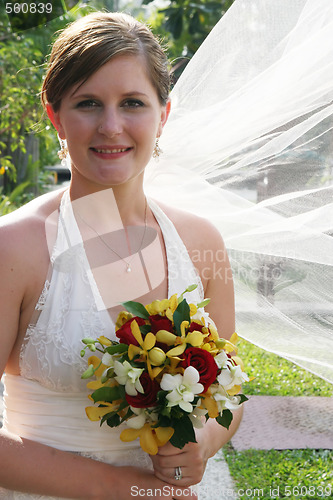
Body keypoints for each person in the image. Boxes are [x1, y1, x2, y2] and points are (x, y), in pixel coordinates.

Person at [0, 11, 242, 499]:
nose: (111, 127)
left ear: (164, 114)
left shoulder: (201, 242)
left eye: (132, 102)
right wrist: (130, 490)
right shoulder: (14, 248)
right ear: (55, 116)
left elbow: (231, 391)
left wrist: (204, 442)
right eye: (88, 103)